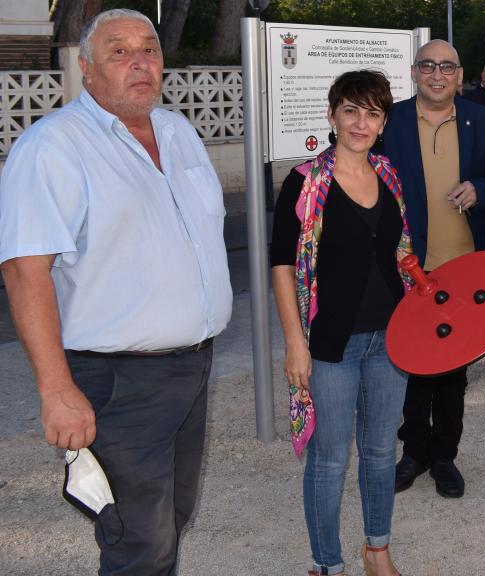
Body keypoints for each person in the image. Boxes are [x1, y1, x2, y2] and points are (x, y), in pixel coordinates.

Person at [0, 9, 232, 575]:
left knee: (169, 523)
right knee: (138, 542)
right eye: (119, 51)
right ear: (87, 69)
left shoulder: (178, 132)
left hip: (193, 368)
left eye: (149, 49)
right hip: (117, 382)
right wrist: (56, 390)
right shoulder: (54, 146)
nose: (140, 62)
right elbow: (24, 270)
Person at [270, 70, 409, 576]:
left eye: (372, 113)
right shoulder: (305, 183)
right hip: (331, 342)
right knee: (329, 459)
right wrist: (293, 342)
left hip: (392, 337)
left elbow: (402, 254)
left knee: (377, 450)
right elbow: (283, 264)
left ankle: (377, 552)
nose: (360, 122)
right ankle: (327, 565)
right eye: (351, 110)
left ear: (383, 122)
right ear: (332, 115)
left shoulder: (390, 175)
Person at [379, 39, 485, 499]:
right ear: (414, 73)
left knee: (454, 370)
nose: (438, 74)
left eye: (447, 67)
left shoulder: (480, 119)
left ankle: (445, 457)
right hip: (408, 268)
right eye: (428, 66)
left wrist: (480, 188)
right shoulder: (390, 120)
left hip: (464, 269)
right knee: (412, 365)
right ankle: (413, 452)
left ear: (459, 75)